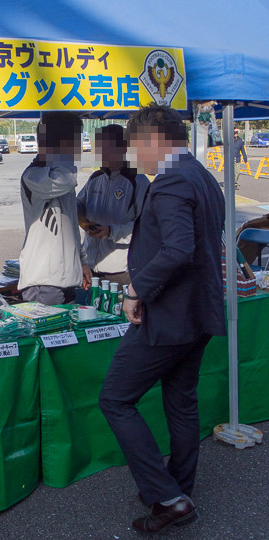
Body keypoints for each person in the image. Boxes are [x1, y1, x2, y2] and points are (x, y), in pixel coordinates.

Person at [98, 104, 226, 533]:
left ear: (154, 139)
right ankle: (177, 490)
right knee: (181, 403)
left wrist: (136, 290)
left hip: (169, 317)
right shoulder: (203, 177)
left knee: (115, 398)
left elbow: (177, 250)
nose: (135, 156)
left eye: (136, 146)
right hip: (199, 312)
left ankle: (169, 497)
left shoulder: (171, 181)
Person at [18, 111, 91, 305]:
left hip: (67, 277)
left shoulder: (60, 171)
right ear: (59, 142)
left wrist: (82, 262)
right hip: (44, 281)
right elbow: (66, 180)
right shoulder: (35, 175)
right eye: (75, 140)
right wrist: (58, 156)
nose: (78, 148)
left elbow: (72, 226)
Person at [77, 125, 150, 287]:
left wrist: (111, 231)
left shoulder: (138, 181)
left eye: (107, 147)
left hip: (121, 272)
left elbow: (146, 227)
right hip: (91, 267)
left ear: (123, 148)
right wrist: (78, 214)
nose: (102, 153)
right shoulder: (95, 178)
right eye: (100, 148)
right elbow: (78, 204)